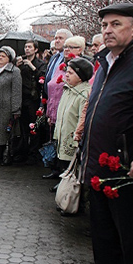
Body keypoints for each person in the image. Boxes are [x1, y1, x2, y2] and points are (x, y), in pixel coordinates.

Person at [78, 3, 133, 264]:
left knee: (128, 229)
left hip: (125, 166)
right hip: (98, 160)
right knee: (102, 226)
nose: (108, 30)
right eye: (104, 26)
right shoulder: (104, 62)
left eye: (116, 24)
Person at [52, 57, 93, 192]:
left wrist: (77, 138)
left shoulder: (84, 94)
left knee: (73, 169)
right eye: (67, 72)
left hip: (72, 139)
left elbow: (82, 119)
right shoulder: (68, 89)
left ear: (81, 77)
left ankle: (70, 196)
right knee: (64, 165)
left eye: (71, 73)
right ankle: (63, 189)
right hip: (63, 135)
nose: (67, 75)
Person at [17, 40, 46, 163]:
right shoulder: (20, 62)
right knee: (23, 127)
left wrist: (32, 67)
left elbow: (43, 77)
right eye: (25, 47)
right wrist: (17, 66)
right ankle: (22, 152)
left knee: (34, 127)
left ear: (35, 50)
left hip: (33, 99)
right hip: (22, 98)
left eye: (30, 47)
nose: (27, 49)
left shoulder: (40, 63)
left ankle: (34, 154)